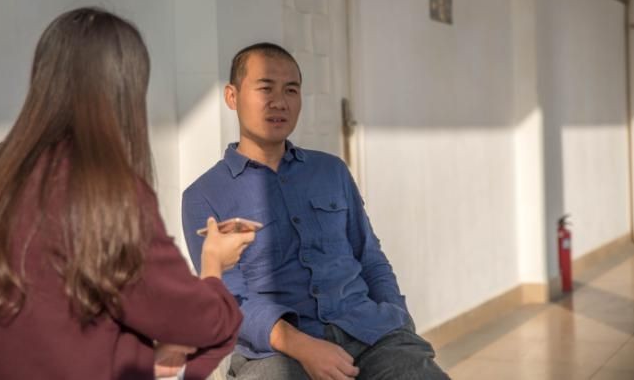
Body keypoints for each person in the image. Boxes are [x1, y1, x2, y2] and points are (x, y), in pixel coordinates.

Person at [0, 7, 255, 380]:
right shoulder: (106, 191)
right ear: (126, 92)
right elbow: (201, 321)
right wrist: (213, 263)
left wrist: (142, 355)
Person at [182, 43, 450, 379]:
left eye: (291, 90)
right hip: (276, 352)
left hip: (369, 334)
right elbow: (228, 297)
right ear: (232, 97)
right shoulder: (204, 196)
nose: (279, 102)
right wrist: (302, 346)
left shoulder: (331, 171)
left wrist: (398, 318)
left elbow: (369, 257)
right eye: (265, 88)